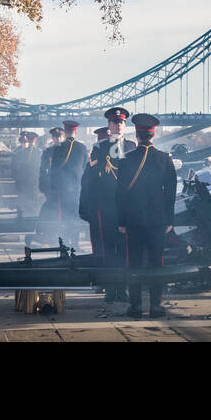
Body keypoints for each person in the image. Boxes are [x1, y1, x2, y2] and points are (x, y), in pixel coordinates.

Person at [115, 113, 177, 318]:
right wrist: (170, 220)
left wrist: (121, 221)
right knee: (156, 263)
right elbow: (170, 193)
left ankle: (134, 306)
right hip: (157, 221)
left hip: (133, 220)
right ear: (153, 134)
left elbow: (120, 194)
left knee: (133, 263)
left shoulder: (127, 159)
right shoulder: (164, 158)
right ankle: (156, 306)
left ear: (137, 134)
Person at [79, 107, 135, 301]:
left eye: (121, 122)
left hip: (127, 207)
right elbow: (91, 179)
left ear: (125, 125)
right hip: (107, 206)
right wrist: (86, 205)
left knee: (126, 248)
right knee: (109, 249)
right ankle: (112, 289)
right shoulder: (100, 148)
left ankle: (124, 288)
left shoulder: (132, 147)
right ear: (109, 126)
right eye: (114, 123)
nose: (118, 125)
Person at [39, 121, 87, 234]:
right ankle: (74, 244)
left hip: (61, 188)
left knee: (64, 217)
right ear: (76, 131)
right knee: (75, 216)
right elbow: (85, 168)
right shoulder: (82, 147)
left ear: (64, 132)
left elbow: (54, 170)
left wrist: (52, 188)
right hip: (77, 188)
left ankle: (64, 243)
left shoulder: (58, 148)